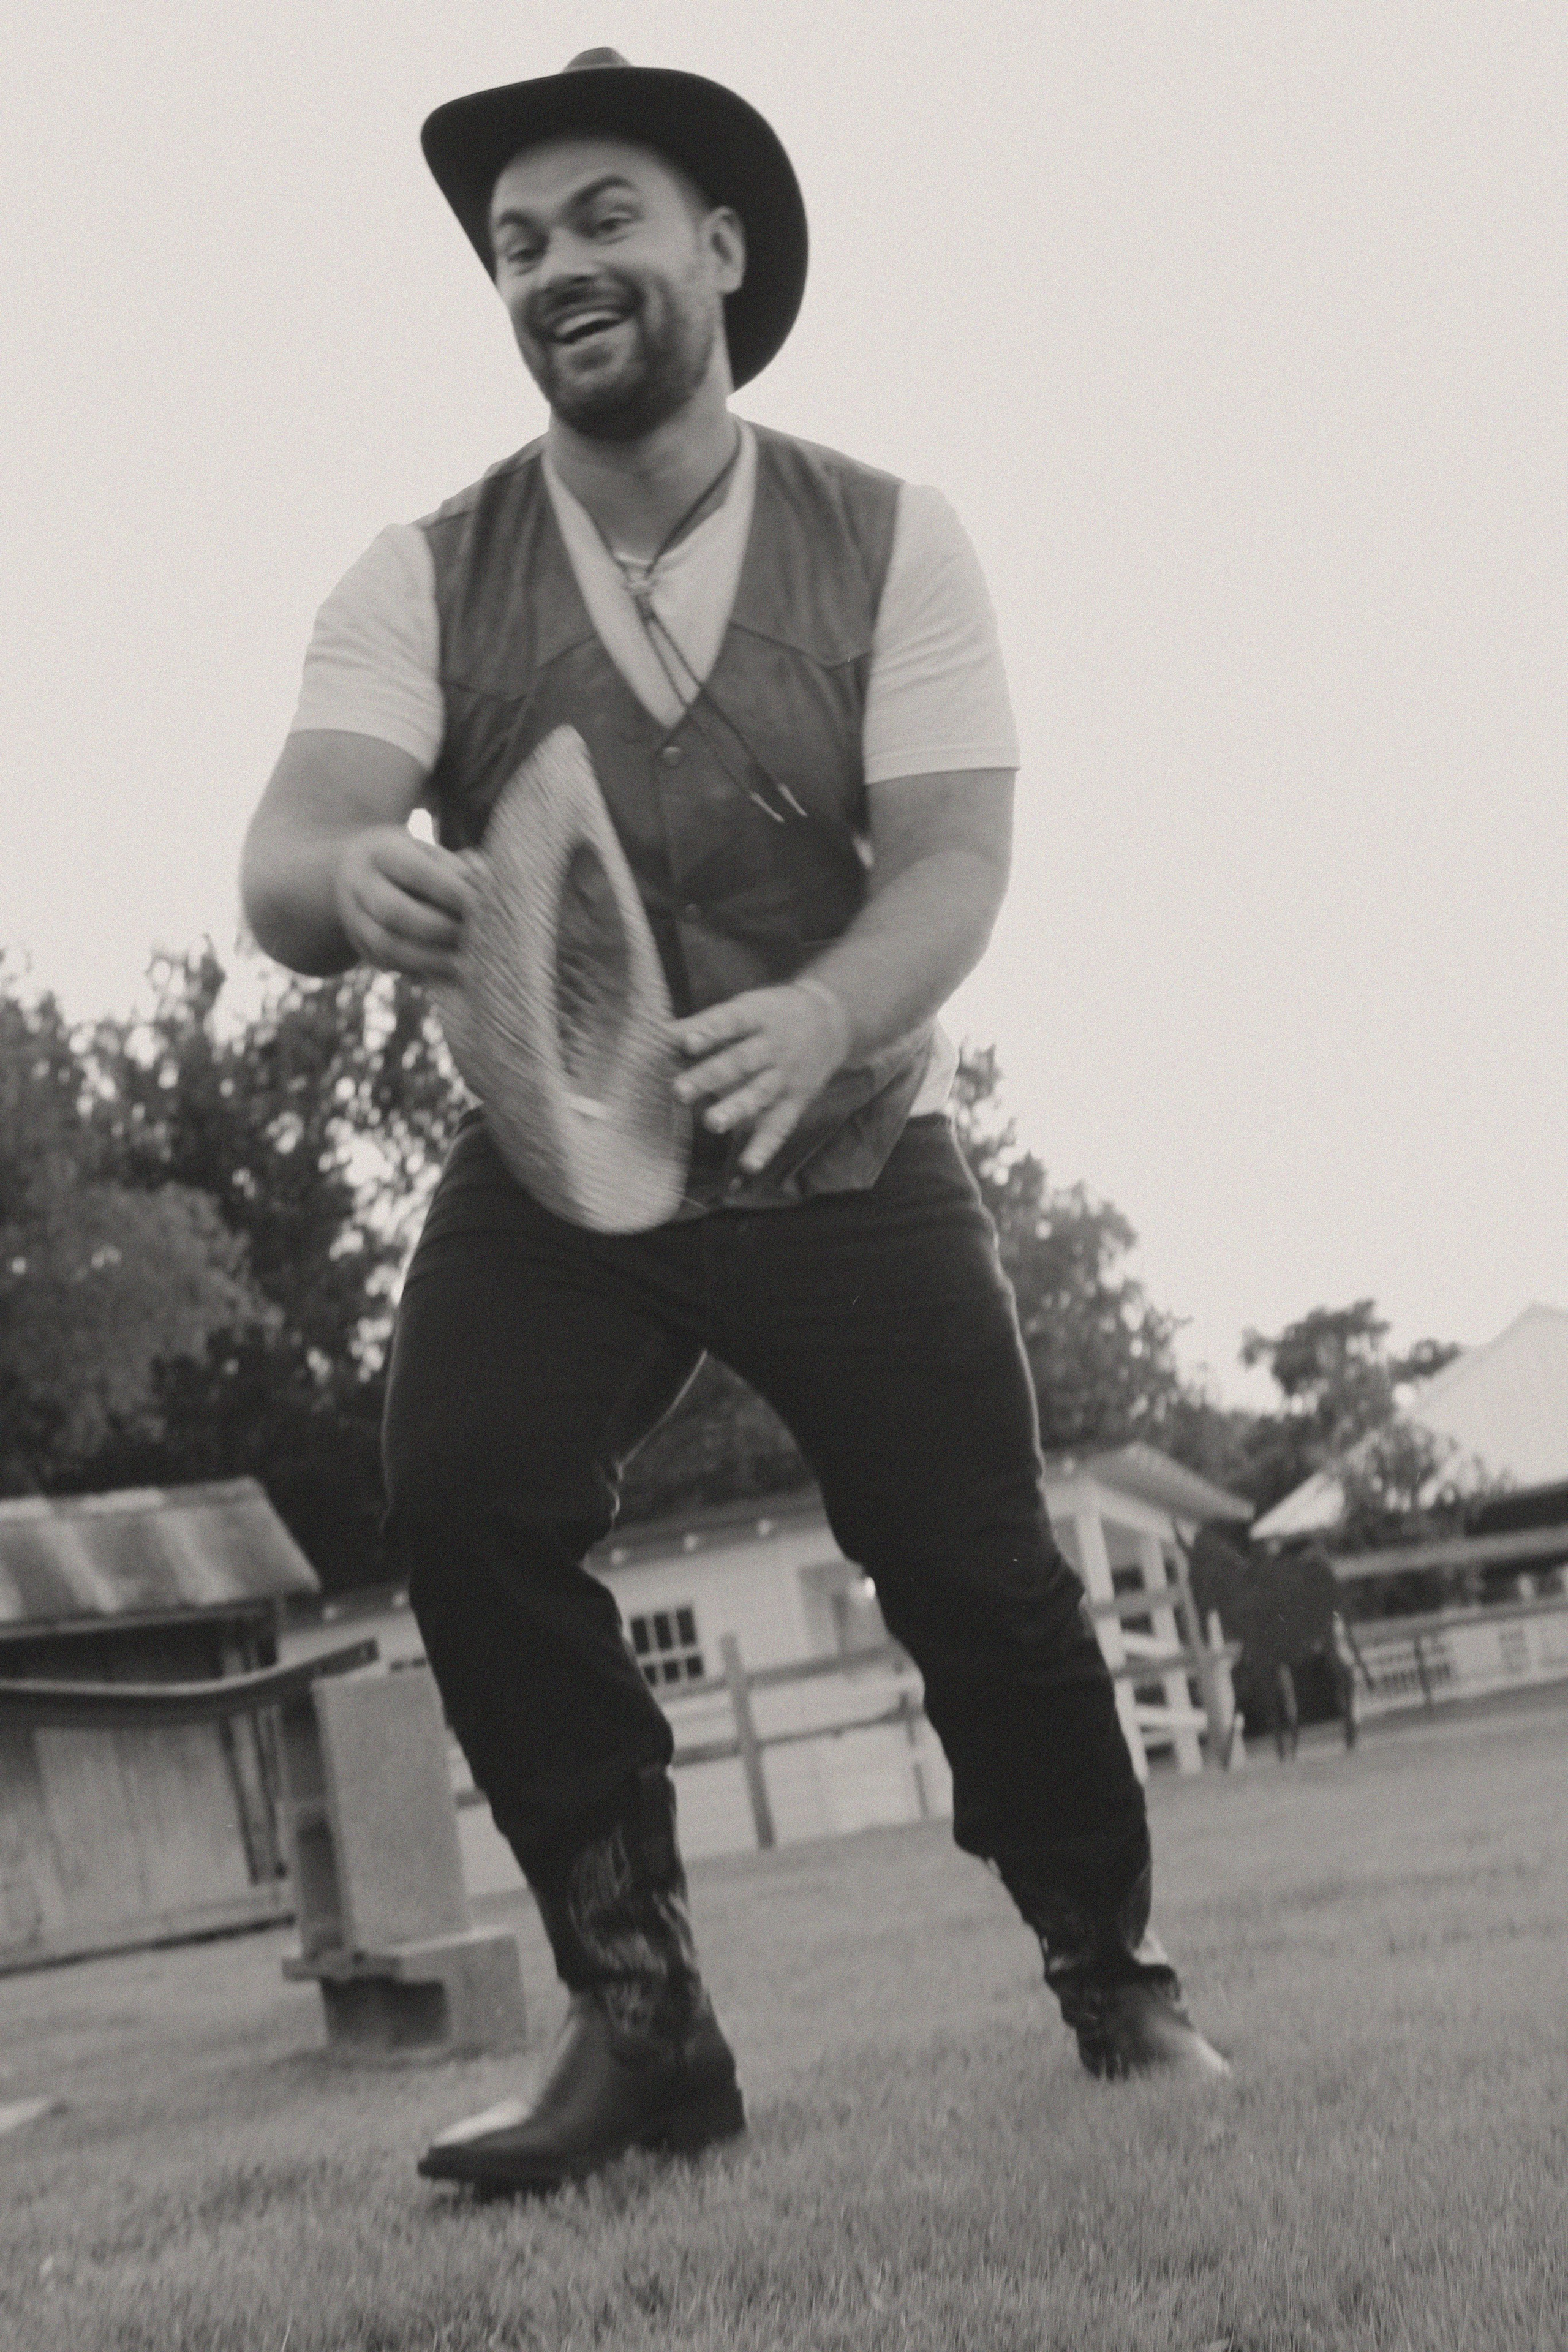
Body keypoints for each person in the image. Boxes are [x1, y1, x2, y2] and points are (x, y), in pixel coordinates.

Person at [241, 48, 1229, 2196]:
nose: (553, 268)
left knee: (980, 1575)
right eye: (516, 245)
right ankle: (645, 2025)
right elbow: (288, 856)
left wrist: (828, 1010)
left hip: (848, 1136)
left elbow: (955, 863)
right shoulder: (421, 573)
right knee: (465, 1494)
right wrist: (348, 884)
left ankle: (1118, 1979)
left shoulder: (896, 533)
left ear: (719, 246)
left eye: (601, 220)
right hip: (561, 1151)